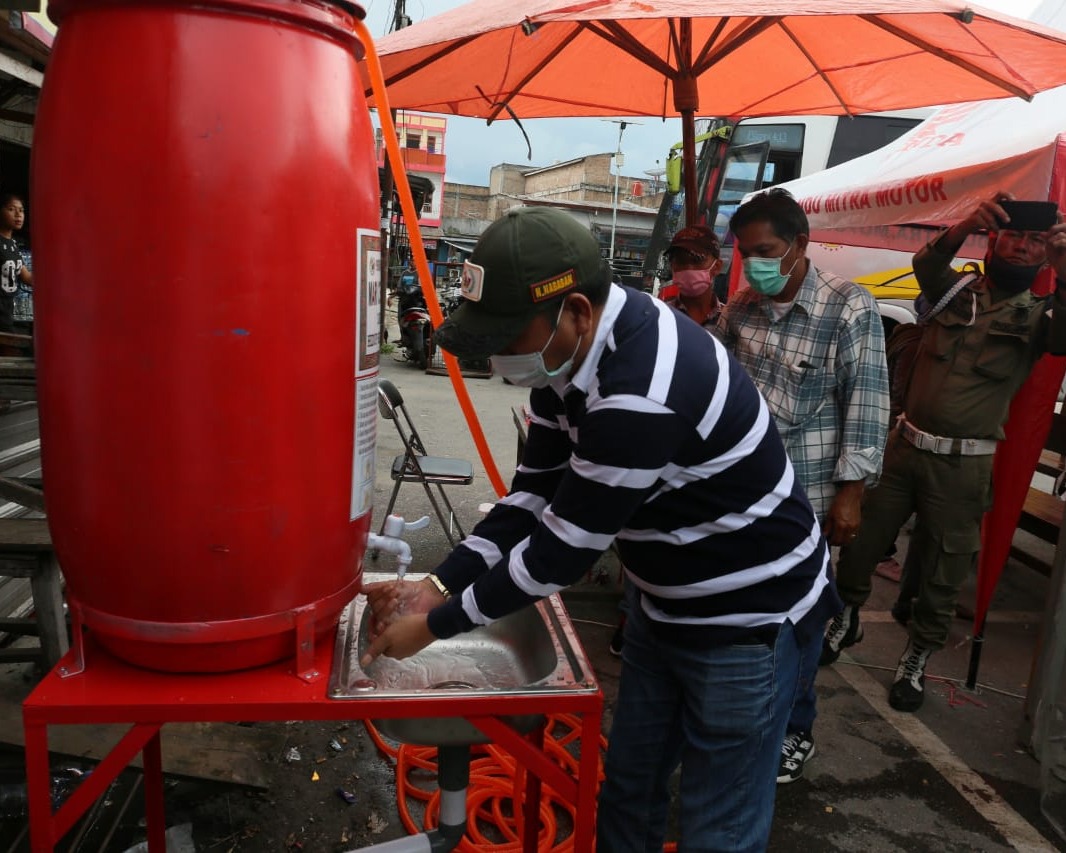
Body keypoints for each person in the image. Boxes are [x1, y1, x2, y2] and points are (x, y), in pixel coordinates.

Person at [361, 206, 840, 852]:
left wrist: (435, 624)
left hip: (749, 621)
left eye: (508, 338)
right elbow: (530, 498)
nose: (499, 357)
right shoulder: (567, 369)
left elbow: (561, 549)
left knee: (716, 825)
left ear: (577, 312)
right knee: (629, 791)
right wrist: (438, 583)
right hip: (665, 606)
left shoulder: (640, 387)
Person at [822, 192, 1066, 713]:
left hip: (964, 465)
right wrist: (961, 226)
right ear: (995, 239)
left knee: (942, 569)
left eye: (1035, 242)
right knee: (860, 542)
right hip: (903, 447)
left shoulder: (1041, 314)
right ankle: (845, 618)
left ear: (1046, 253)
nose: (1022, 248)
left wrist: (1065, 272)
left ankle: (916, 659)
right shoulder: (956, 291)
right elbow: (926, 263)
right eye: (1013, 236)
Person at [717, 188, 890, 783]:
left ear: (799, 246)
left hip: (807, 502)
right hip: (739, 499)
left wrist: (852, 493)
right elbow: (713, 387)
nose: (754, 263)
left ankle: (795, 729)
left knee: (799, 620)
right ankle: (745, 718)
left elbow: (867, 406)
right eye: (745, 251)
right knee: (748, 615)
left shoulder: (849, 308)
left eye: (764, 251)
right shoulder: (740, 309)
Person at [662, 224, 724, 330]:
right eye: (681, 261)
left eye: (697, 260)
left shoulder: (730, 319)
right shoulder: (660, 315)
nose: (688, 268)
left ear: (717, 267)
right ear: (672, 266)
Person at [0, 193, 31, 337]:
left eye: (22, 210)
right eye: (11, 209)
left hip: (7, 312)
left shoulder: (13, 244)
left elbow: (26, 276)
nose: (18, 214)